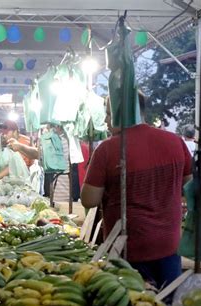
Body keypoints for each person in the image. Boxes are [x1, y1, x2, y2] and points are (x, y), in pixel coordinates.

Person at [81, 92, 192, 290]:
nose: (105, 120)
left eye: (108, 114)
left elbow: (89, 199)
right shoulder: (175, 142)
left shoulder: (108, 149)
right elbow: (188, 184)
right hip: (170, 245)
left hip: (128, 252)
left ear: (120, 112)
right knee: (167, 305)